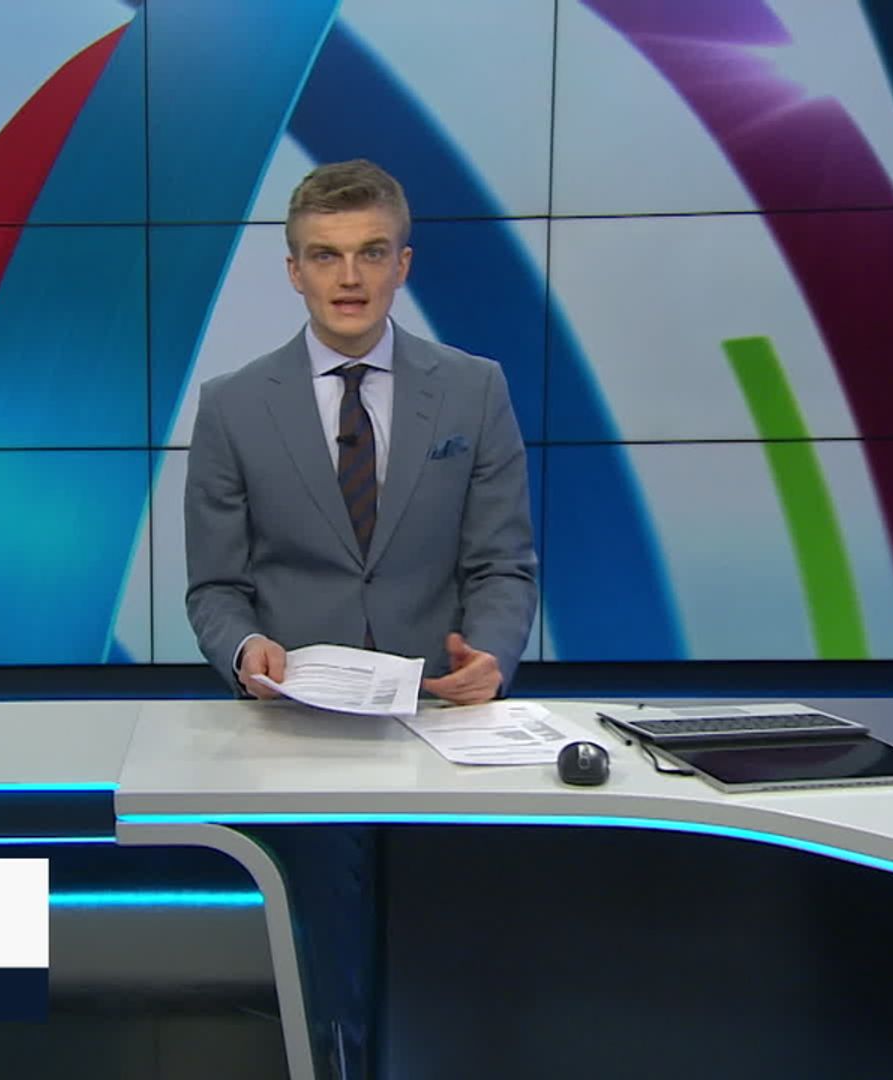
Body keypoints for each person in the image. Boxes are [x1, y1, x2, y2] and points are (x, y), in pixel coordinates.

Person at [183, 159, 539, 1079]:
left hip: (441, 724)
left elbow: (502, 564)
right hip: (298, 732)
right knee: (326, 958)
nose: (350, 277)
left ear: (402, 264)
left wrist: (493, 655)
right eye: (326, 256)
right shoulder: (232, 406)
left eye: (371, 253)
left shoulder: (473, 390)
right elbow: (214, 589)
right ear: (294, 270)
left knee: (442, 967)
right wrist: (245, 650)